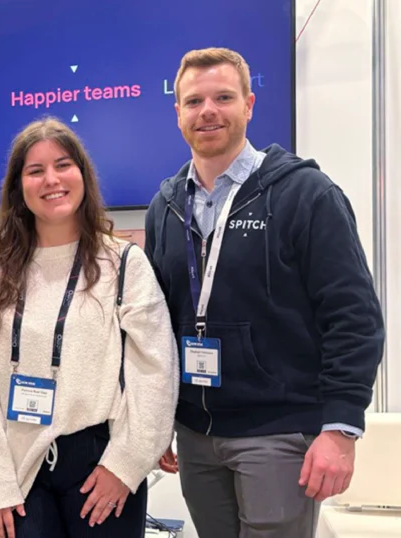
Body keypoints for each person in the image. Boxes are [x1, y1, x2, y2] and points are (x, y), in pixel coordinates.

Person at [145, 47, 385, 538]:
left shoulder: (306, 194)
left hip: (279, 432)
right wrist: (158, 419)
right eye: (194, 102)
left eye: (223, 98)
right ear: (177, 113)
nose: (208, 111)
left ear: (249, 105)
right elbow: (156, 325)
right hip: (195, 435)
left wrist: (340, 428)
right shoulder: (165, 206)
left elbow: (354, 317)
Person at [0, 117, 178, 538]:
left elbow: (155, 371)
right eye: (35, 170)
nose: (51, 180)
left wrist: (125, 465)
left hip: (100, 466)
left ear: (83, 175)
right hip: (19, 471)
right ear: (18, 187)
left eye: (62, 165)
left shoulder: (122, 263)